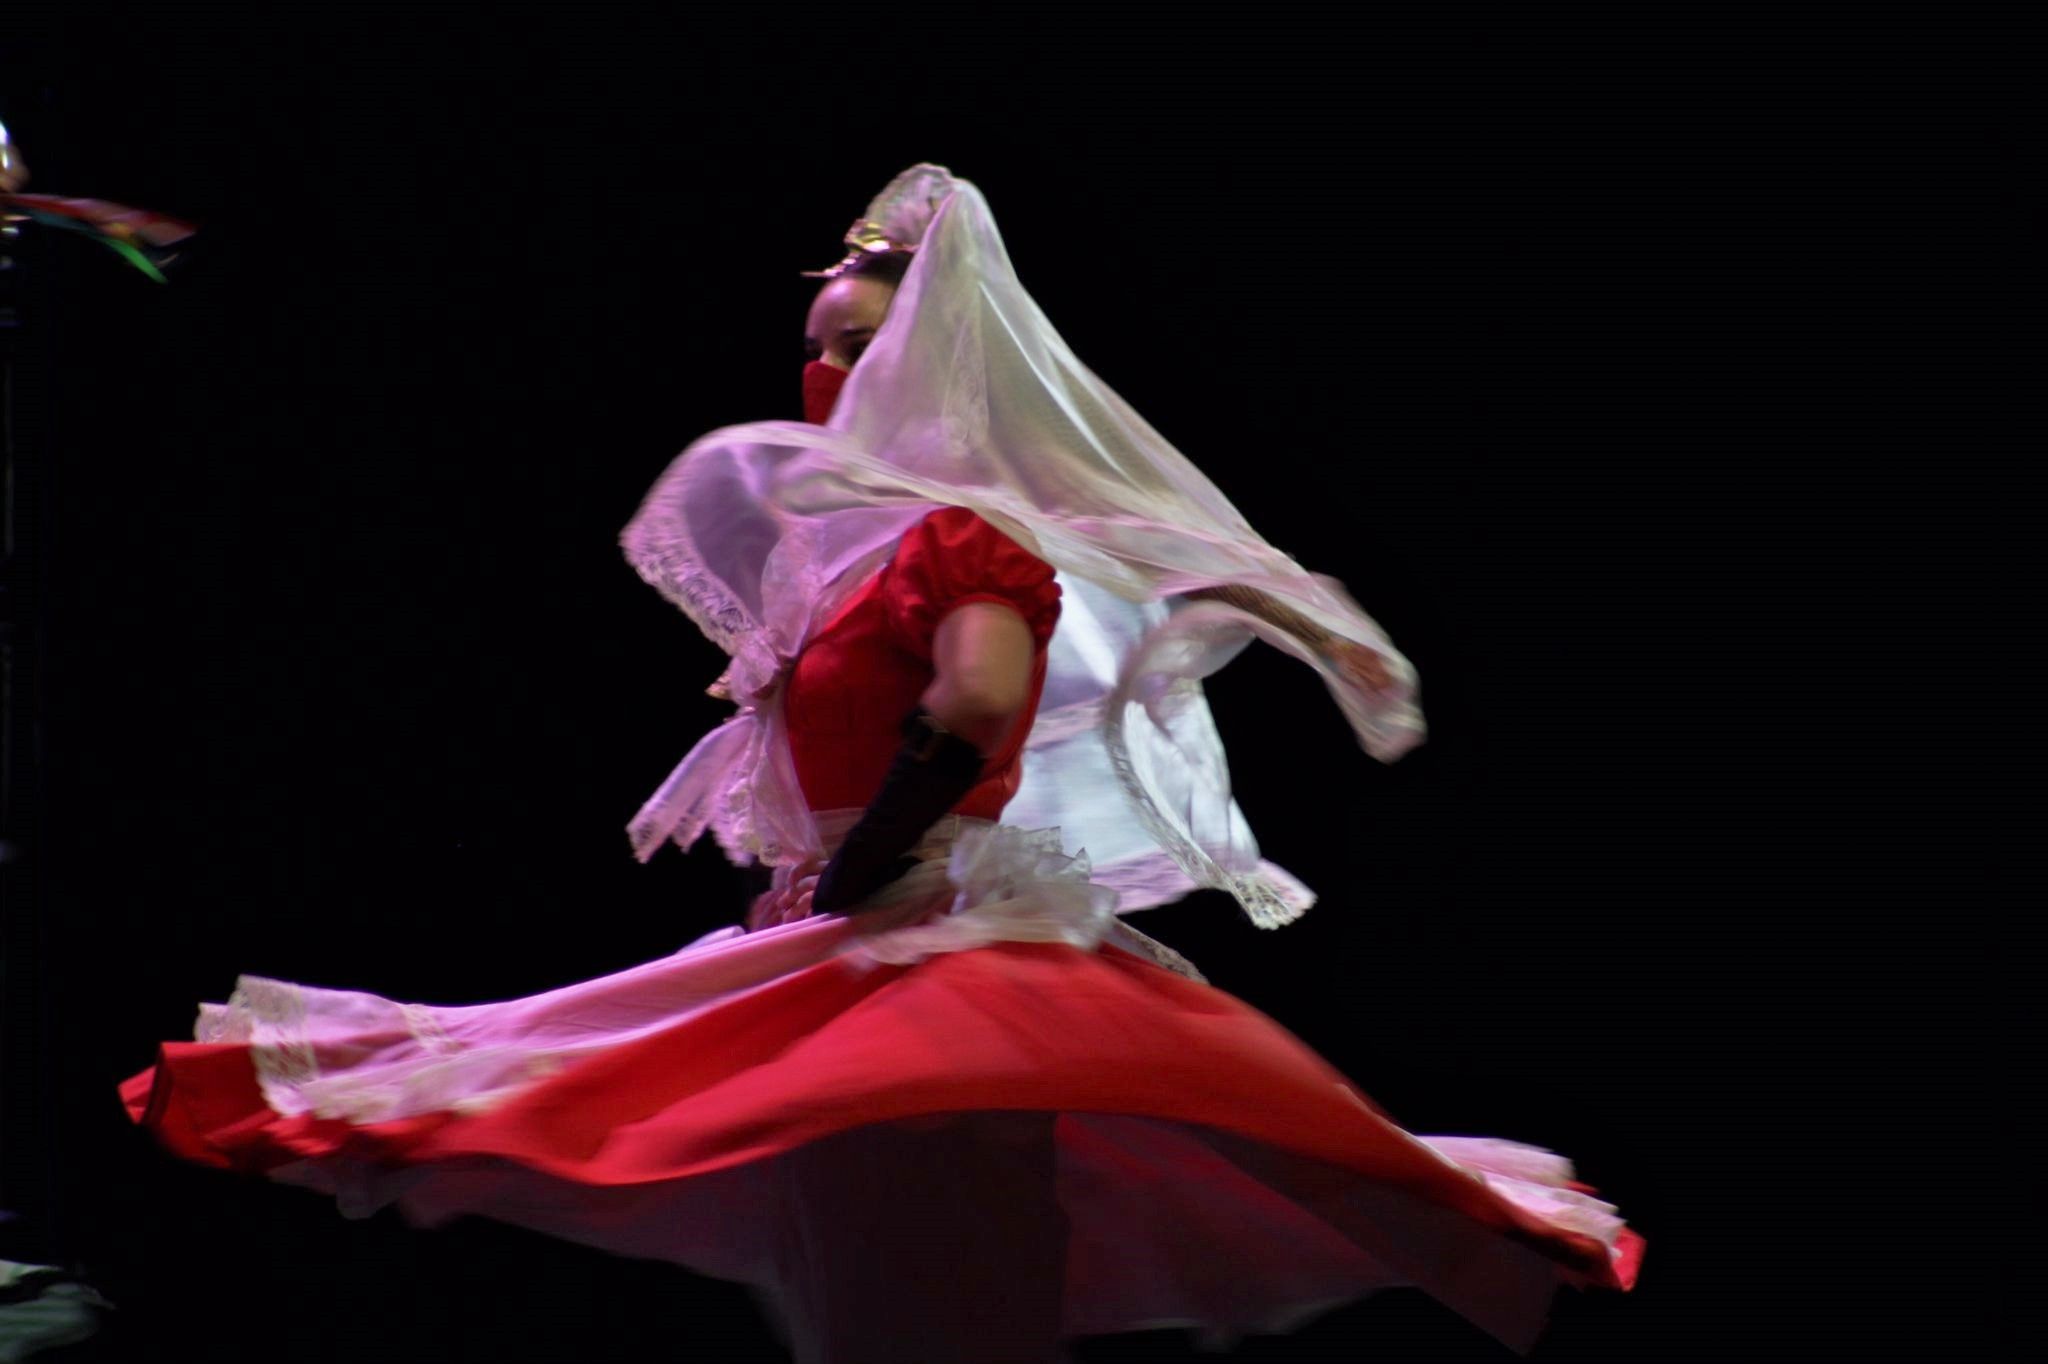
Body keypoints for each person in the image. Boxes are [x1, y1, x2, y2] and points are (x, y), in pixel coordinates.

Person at [121, 165, 1639, 1362]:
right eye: (817, 347)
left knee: (930, 1288)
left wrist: (869, 858)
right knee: (867, 1287)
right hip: (848, 943)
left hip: (930, 951)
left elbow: (976, 708)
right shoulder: (855, 560)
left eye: (858, 343)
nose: (825, 366)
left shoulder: (963, 536)